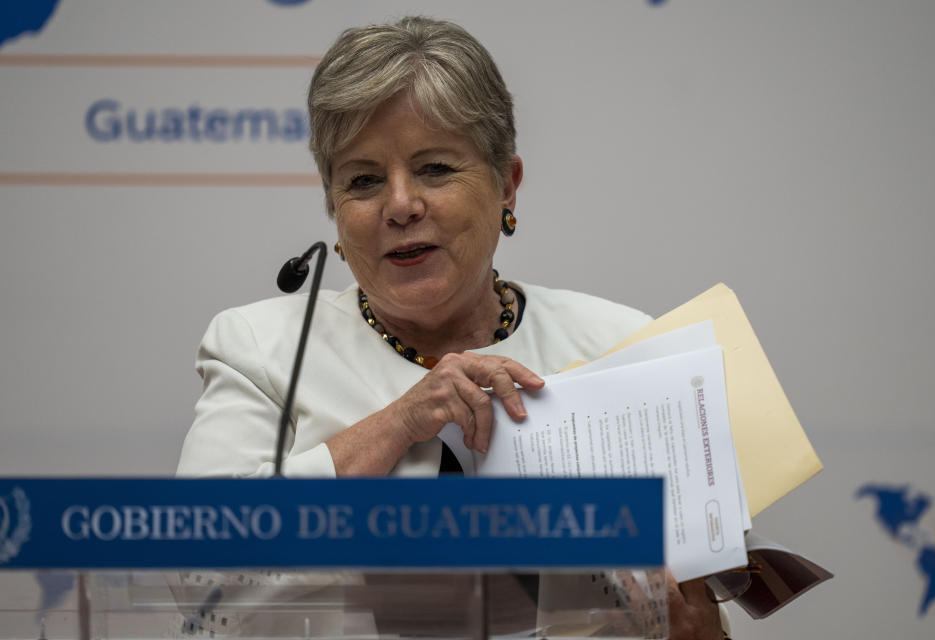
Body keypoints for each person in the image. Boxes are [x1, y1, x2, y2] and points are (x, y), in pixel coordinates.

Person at [177, 16, 728, 639]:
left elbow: (708, 610)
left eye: (435, 168)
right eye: (363, 180)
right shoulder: (264, 351)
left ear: (506, 186)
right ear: (334, 208)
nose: (401, 204)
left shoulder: (622, 345)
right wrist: (397, 424)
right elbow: (200, 579)